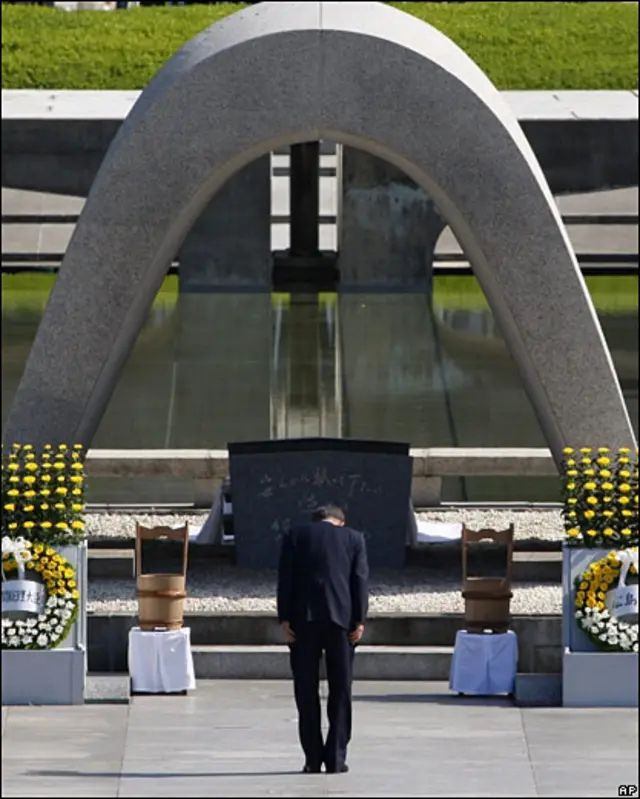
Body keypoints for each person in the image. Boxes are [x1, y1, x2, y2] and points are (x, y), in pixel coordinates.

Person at [277, 504, 369, 775]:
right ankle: (337, 758)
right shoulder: (354, 538)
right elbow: (359, 580)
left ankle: (312, 758)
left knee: (306, 690)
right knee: (341, 689)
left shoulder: (295, 536)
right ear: (340, 522)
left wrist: (285, 618)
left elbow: (286, 579)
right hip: (341, 621)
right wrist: (360, 619)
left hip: (302, 622)